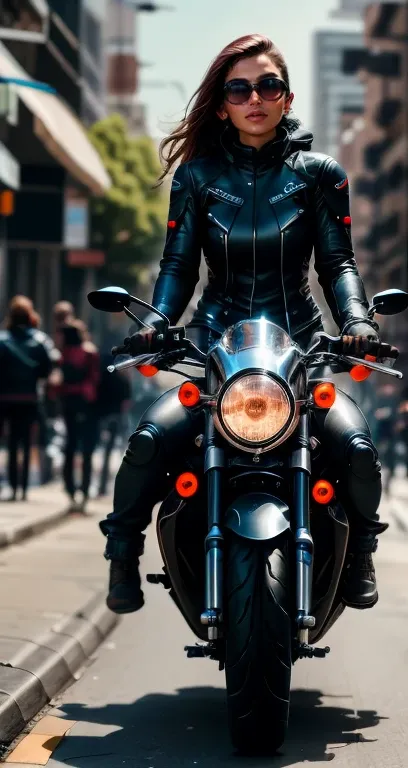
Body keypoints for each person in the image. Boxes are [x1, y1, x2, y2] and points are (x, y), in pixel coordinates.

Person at [100, 34, 389, 614]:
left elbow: (338, 264)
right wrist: (158, 323)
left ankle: (359, 553)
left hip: (300, 346)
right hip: (215, 344)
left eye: (267, 85)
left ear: (286, 96)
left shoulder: (321, 175)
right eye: (239, 88)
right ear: (222, 101)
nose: (253, 97)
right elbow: (177, 266)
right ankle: (123, 551)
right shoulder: (196, 177)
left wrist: (358, 320)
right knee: (151, 438)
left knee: (356, 447)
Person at [0, 295, 60, 500]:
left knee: (10, 444)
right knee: (27, 443)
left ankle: (13, 486)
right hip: (29, 399)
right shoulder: (40, 340)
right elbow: (47, 369)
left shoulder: (2, 340)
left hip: (6, 399)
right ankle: (23, 489)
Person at [59, 320, 100, 512]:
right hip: (86, 404)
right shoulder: (89, 351)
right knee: (86, 449)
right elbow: (94, 379)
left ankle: (71, 489)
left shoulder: (64, 353)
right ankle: (83, 489)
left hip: (70, 402)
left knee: (70, 446)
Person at [96, 354, 132, 498]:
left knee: (105, 453)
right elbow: (127, 403)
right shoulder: (124, 380)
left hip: (104, 418)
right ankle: (118, 485)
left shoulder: (104, 378)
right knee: (120, 452)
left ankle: (102, 486)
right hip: (117, 419)